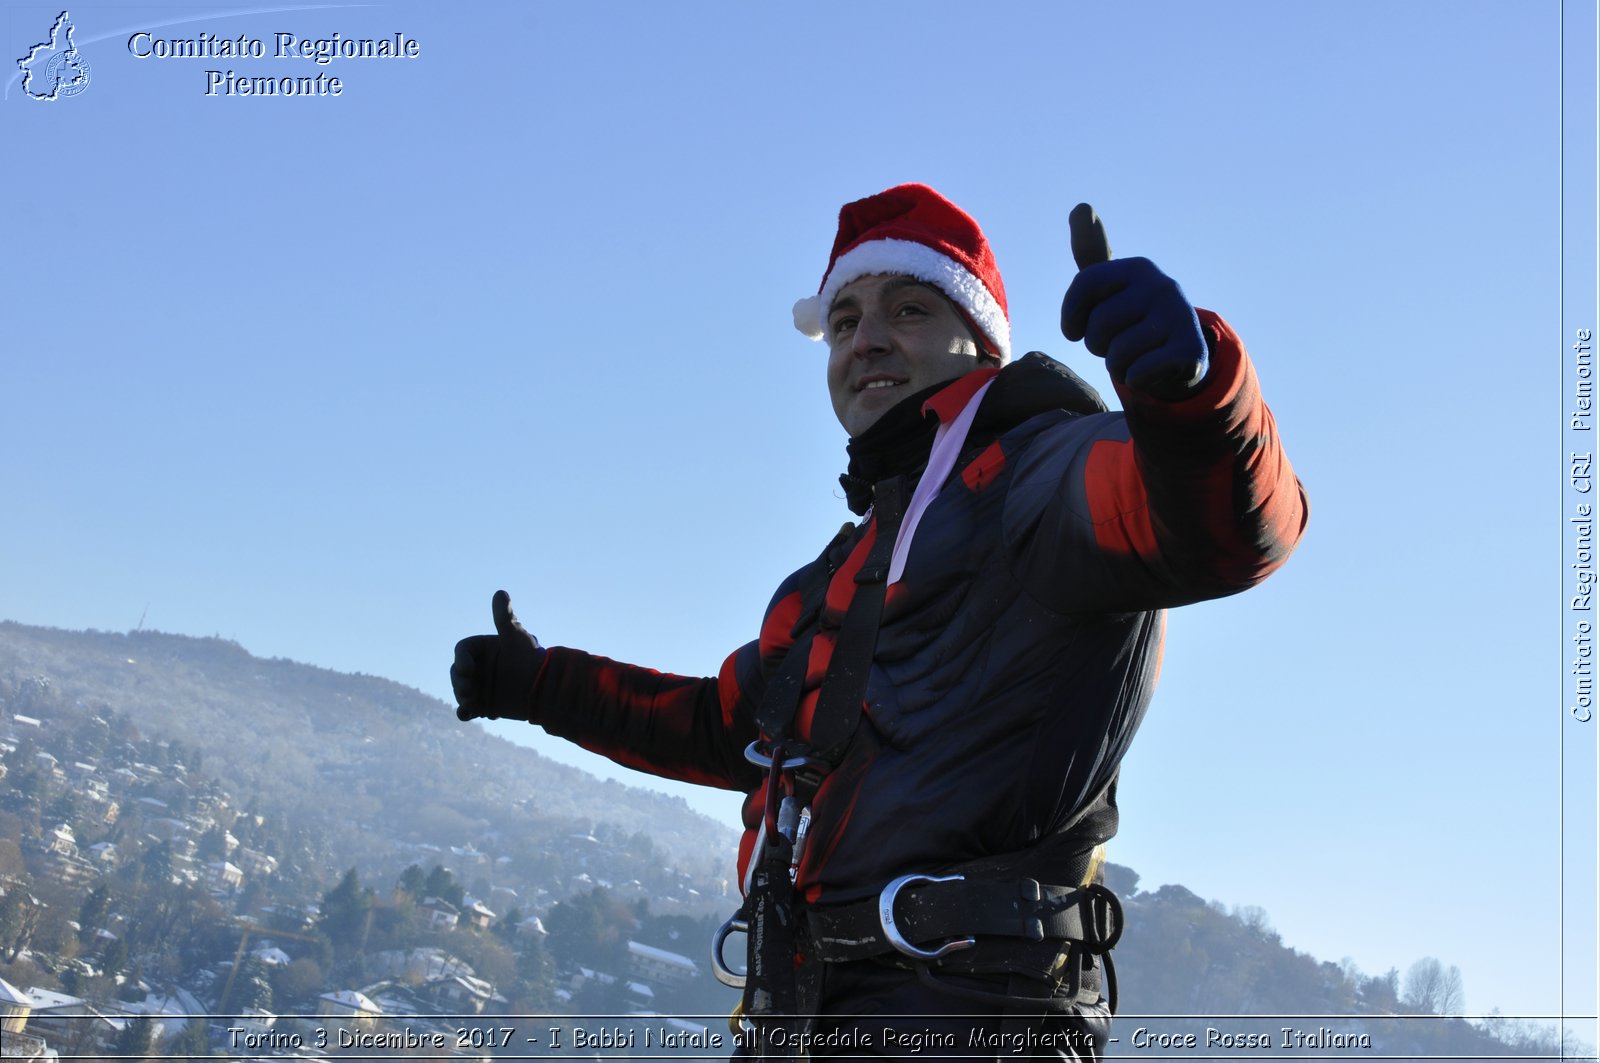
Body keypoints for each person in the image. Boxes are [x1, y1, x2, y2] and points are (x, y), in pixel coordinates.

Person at [449, 183, 1308, 1059]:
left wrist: (1196, 396)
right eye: (846, 318)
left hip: (972, 1020)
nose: (868, 338)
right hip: (802, 1015)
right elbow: (728, 726)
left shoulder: (1043, 473)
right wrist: (541, 684)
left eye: (907, 308)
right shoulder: (833, 575)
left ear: (978, 339)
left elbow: (1229, 531)